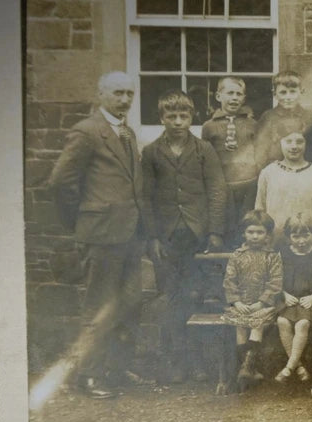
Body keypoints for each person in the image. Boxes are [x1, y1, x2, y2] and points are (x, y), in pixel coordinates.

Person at [49, 70, 149, 398]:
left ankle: (116, 370)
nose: (125, 100)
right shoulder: (87, 131)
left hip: (130, 234)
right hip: (101, 234)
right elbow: (61, 182)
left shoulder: (127, 132)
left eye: (129, 94)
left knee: (130, 302)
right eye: (118, 93)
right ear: (101, 94)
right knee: (99, 305)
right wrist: (83, 221)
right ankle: (87, 375)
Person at [140, 89, 226, 384]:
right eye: (171, 116)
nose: (178, 121)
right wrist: (152, 238)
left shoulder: (203, 150)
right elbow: (146, 197)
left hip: (197, 235)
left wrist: (214, 231)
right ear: (162, 118)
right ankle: (177, 362)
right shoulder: (151, 152)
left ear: (192, 117)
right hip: (167, 239)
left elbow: (217, 190)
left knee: (196, 296)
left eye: (184, 116)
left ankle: (200, 362)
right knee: (172, 298)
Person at [221, 210, 283, 391]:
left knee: (256, 324)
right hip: (241, 303)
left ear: (268, 235)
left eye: (260, 232)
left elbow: (275, 283)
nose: (255, 236)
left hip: (263, 305)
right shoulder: (237, 256)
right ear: (244, 233)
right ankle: (247, 368)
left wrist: (261, 303)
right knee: (240, 326)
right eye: (251, 232)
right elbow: (229, 281)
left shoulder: (272, 257)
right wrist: (237, 302)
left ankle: (248, 367)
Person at [275, 212, 312, 384]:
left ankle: (288, 368)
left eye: (306, 235)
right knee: (282, 322)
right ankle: (299, 367)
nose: (301, 241)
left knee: (302, 324)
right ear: (288, 237)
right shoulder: (283, 253)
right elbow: (275, 279)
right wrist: (284, 295)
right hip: (290, 299)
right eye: (296, 236)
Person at [201, 76, 259, 247]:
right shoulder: (209, 126)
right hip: (223, 186)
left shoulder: (252, 124)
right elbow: (205, 158)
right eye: (230, 93)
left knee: (247, 227)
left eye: (239, 94)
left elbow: (259, 152)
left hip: (249, 185)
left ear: (244, 98)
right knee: (225, 228)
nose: (234, 98)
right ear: (219, 96)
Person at [254, 123, 312, 245]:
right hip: (275, 243)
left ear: (306, 143)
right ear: (280, 142)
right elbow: (260, 211)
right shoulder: (268, 173)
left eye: (299, 142)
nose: (294, 146)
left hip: (308, 246)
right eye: (288, 141)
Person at [254, 70, 312, 171]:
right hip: (275, 172)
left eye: (293, 91)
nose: (288, 97)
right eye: (283, 92)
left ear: (301, 92)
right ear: (275, 94)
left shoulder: (309, 117)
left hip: (303, 172)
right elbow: (260, 153)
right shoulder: (268, 117)